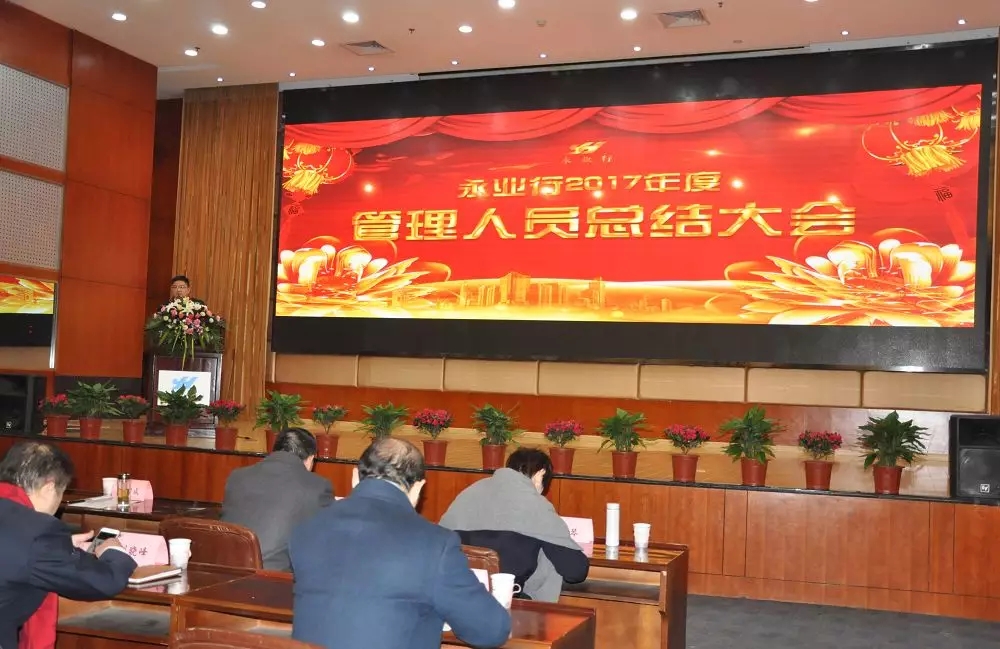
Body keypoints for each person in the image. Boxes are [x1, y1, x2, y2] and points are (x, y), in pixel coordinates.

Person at [290, 438, 510, 649]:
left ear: (355, 477)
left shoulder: (306, 529)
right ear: (418, 488)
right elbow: (491, 630)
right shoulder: (434, 544)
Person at [0, 441, 137, 649]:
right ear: (49, 488)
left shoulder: (31, 534)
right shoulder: (38, 531)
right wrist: (114, 551)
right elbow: (104, 582)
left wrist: (60, 547)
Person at [440, 448, 588, 602]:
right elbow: (575, 571)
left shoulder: (467, 494)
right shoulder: (535, 505)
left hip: (454, 599)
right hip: (508, 605)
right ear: (540, 474)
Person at [221, 427, 333, 571]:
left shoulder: (236, 477)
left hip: (228, 570)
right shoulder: (318, 486)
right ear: (311, 458)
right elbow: (323, 540)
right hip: (276, 577)